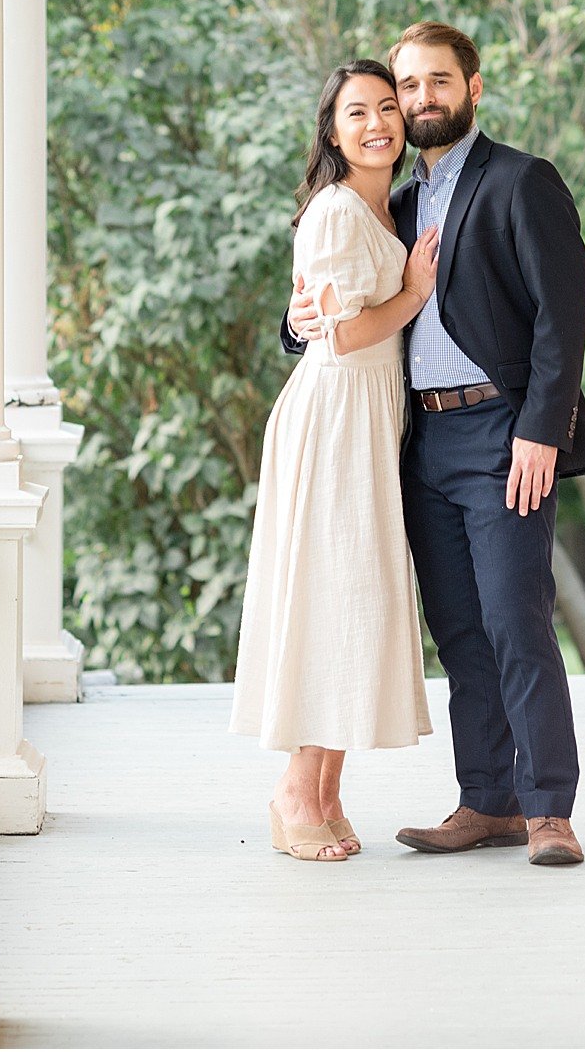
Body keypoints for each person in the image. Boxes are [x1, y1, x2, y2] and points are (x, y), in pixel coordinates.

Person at [286, 21, 585, 867]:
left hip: (503, 432)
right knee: (460, 631)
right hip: (418, 439)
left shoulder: (522, 182)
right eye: (407, 88)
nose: (420, 101)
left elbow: (562, 318)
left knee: (515, 622)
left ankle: (548, 811)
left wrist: (543, 430)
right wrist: (296, 323)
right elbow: (336, 302)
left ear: (473, 87)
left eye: (436, 83)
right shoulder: (390, 201)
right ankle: (486, 801)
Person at [229, 58, 441, 862]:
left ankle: (324, 791)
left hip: (369, 412)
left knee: (354, 602)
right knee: (333, 599)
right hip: (337, 415)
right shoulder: (336, 212)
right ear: (331, 129)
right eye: (357, 113)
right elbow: (342, 331)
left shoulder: (389, 206)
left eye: (388, 108)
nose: (378, 124)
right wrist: (414, 293)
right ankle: (293, 789)